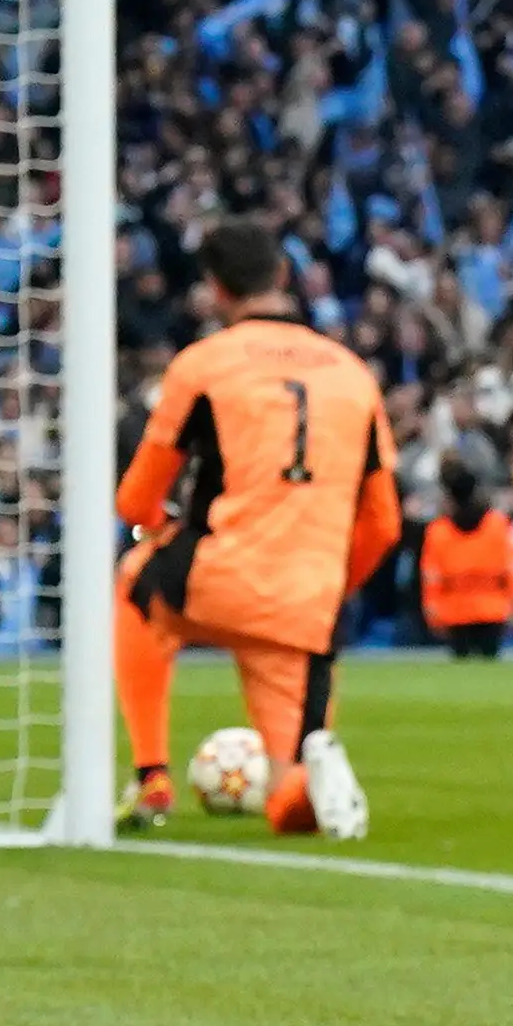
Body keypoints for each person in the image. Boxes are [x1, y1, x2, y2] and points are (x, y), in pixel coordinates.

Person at [111, 223, 396, 838]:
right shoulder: (354, 374)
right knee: (288, 784)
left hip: (218, 574)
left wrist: (159, 532)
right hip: (309, 604)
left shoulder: (203, 366)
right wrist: (335, 587)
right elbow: (384, 521)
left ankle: (152, 776)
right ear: (284, 277)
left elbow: (135, 499)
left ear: (215, 291)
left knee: (135, 585)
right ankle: (305, 778)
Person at [418, 467, 513, 658]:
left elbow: (431, 576)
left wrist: (433, 612)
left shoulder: (439, 531)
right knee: (491, 669)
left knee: (461, 669)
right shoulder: (497, 525)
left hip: (455, 610)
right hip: (493, 607)